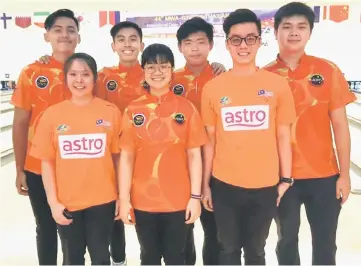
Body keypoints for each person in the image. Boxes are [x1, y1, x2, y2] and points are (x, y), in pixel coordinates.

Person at [201, 9, 296, 265]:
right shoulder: (213, 89)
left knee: (256, 251)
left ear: (259, 40)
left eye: (250, 38)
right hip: (224, 185)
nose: (243, 45)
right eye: (236, 39)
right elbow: (209, 140)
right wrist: (205, 184)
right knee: (228, 249)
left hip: (265, 185)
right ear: (227, 43)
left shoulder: (277, 85)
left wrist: (285, 178)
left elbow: (284, 134)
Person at [263, 2, 356, 265]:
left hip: (324, 176)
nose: (294, 33)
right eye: (287, 27)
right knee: (286, 239)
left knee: (325, 240)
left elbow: (340, 125)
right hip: (283, 177)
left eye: (301, 27)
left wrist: (344, 174)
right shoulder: (264, 76)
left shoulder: (328, 71)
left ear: (310, 32)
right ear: (276, 32)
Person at [117, 43, 207, 265]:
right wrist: (124, 199)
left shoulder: (186, 109)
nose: (157, 72)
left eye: (163, 66)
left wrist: (195, 198)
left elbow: (195, 155)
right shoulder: (132, 110)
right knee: (149, 256)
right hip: (143, 200)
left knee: (177, 257)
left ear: (172, 70)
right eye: (151, 67)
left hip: (178, 200)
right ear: (143, 71)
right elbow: (127, 158)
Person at [30, 52, 122, 265]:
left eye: (85, 74)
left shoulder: (110, 112)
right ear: (65, 78)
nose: (79, 80)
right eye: (73, 74)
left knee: (101, 255)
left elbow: (117, 159)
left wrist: (119, 196)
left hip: (103, 200)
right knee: (72, 257)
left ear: (95, 78)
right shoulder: (52, 115)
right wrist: (53, 202)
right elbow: (47, 163)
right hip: (67, 202)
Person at [11, 9, 80, 265]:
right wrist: (20, 169)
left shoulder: (87, 72)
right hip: (37, 166)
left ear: (78, 38)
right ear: (47, 36)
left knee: (72, 230)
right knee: (46, 228)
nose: (65, 34)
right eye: (58, 30)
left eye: (71, 30)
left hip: (77, 167)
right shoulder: (31, 73)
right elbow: (19, 123)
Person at [172, 17, 220, 265]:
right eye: (188, 42)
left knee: (216, 233)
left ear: (211, 45)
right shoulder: (170, 80)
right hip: (181, 166)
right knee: (183, 230)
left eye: (201, 42)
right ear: (180, 47)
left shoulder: (224, 77)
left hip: (218, 166)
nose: (195, 48)